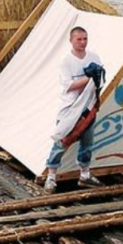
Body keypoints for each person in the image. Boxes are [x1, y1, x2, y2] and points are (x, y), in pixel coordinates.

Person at [44, 27, 105, 194]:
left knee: (87, 142)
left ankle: (85, 175)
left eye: (85, 39)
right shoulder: (66, 61)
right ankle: (51, 177)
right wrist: (89, 77)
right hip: (70, 109)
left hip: (88, 107)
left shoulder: (94, 57)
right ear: (71, 40)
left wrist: (97, 76)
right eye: (79, 39)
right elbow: (69, 86)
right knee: (61, 142)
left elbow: (100, 81)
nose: (83, 42)